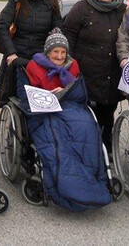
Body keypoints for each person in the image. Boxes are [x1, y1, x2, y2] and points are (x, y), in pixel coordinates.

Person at [22, 29, 112, 211]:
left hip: (71, 107)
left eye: (63, 52)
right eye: (56, 51)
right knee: (57, 138)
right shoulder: (34, 66)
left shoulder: (73, 65)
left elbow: (79, 91)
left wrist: (64, 92)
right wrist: (48, 94)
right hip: (47, 111)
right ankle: (68, 186)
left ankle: (94, 179)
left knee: (87, 128)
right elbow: (30, 95)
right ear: (48, 52)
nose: (60, 56)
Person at [63, 0, 126, 149]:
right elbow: (69, 35)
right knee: (89, 113)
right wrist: (70, 64)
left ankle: (107, 149)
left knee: (108, 112)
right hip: (87, 72)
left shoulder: (122, 9)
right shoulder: (81, 8)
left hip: (112, 73)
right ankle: (89, 149)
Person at [0, 0, 62, 107]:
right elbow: (2, 27)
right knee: (15, 97)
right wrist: (11, 53)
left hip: (41, 57)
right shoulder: (16, 0)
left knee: (39, 99)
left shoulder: (50, 3)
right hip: (17, 55)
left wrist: (55, 41)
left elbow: (58, 27)